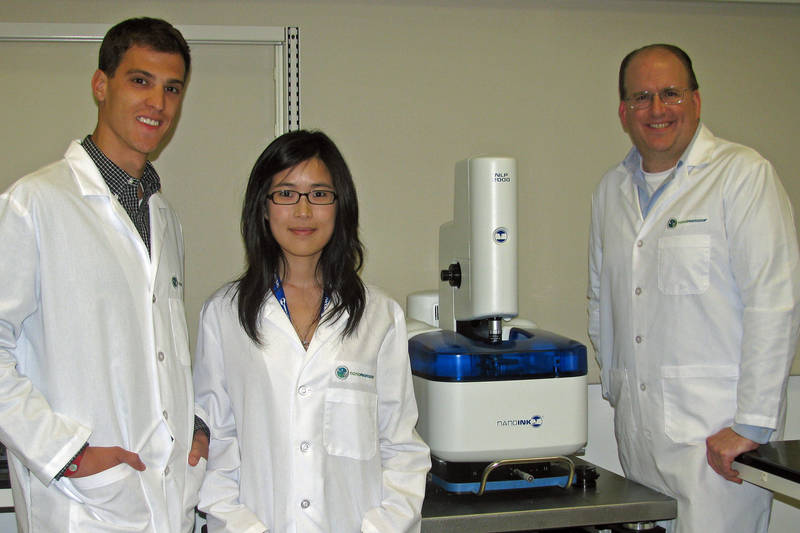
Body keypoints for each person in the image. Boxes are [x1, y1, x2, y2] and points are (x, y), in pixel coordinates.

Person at [0, 17, 208, 532]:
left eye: (172, 88)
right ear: (101, 85)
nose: (157, 104)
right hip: (82, 504)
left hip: (163, 499)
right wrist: (66, 454)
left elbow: (159, 352)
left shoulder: (164, 217)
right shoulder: (34, 203)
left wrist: (194, 428)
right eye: (140, 81)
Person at [587, 43, 800, 532]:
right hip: (640, 438)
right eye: (641, 97)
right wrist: (620, 385)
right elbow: (602, 300)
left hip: (717, 444)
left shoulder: (742, 175)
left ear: (696, 102)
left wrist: (751, 426)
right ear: (623, 112)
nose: (656, 109)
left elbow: (775, 303)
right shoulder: (609, 191)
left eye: (670, 94)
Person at [193, 129, 431, 532]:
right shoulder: (223, 315)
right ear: (263, 208)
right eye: (286, 194)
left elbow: (401, 448)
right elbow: (218, 444)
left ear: (341, 207)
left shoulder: (380, 317)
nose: (303, 211)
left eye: (320, 194)